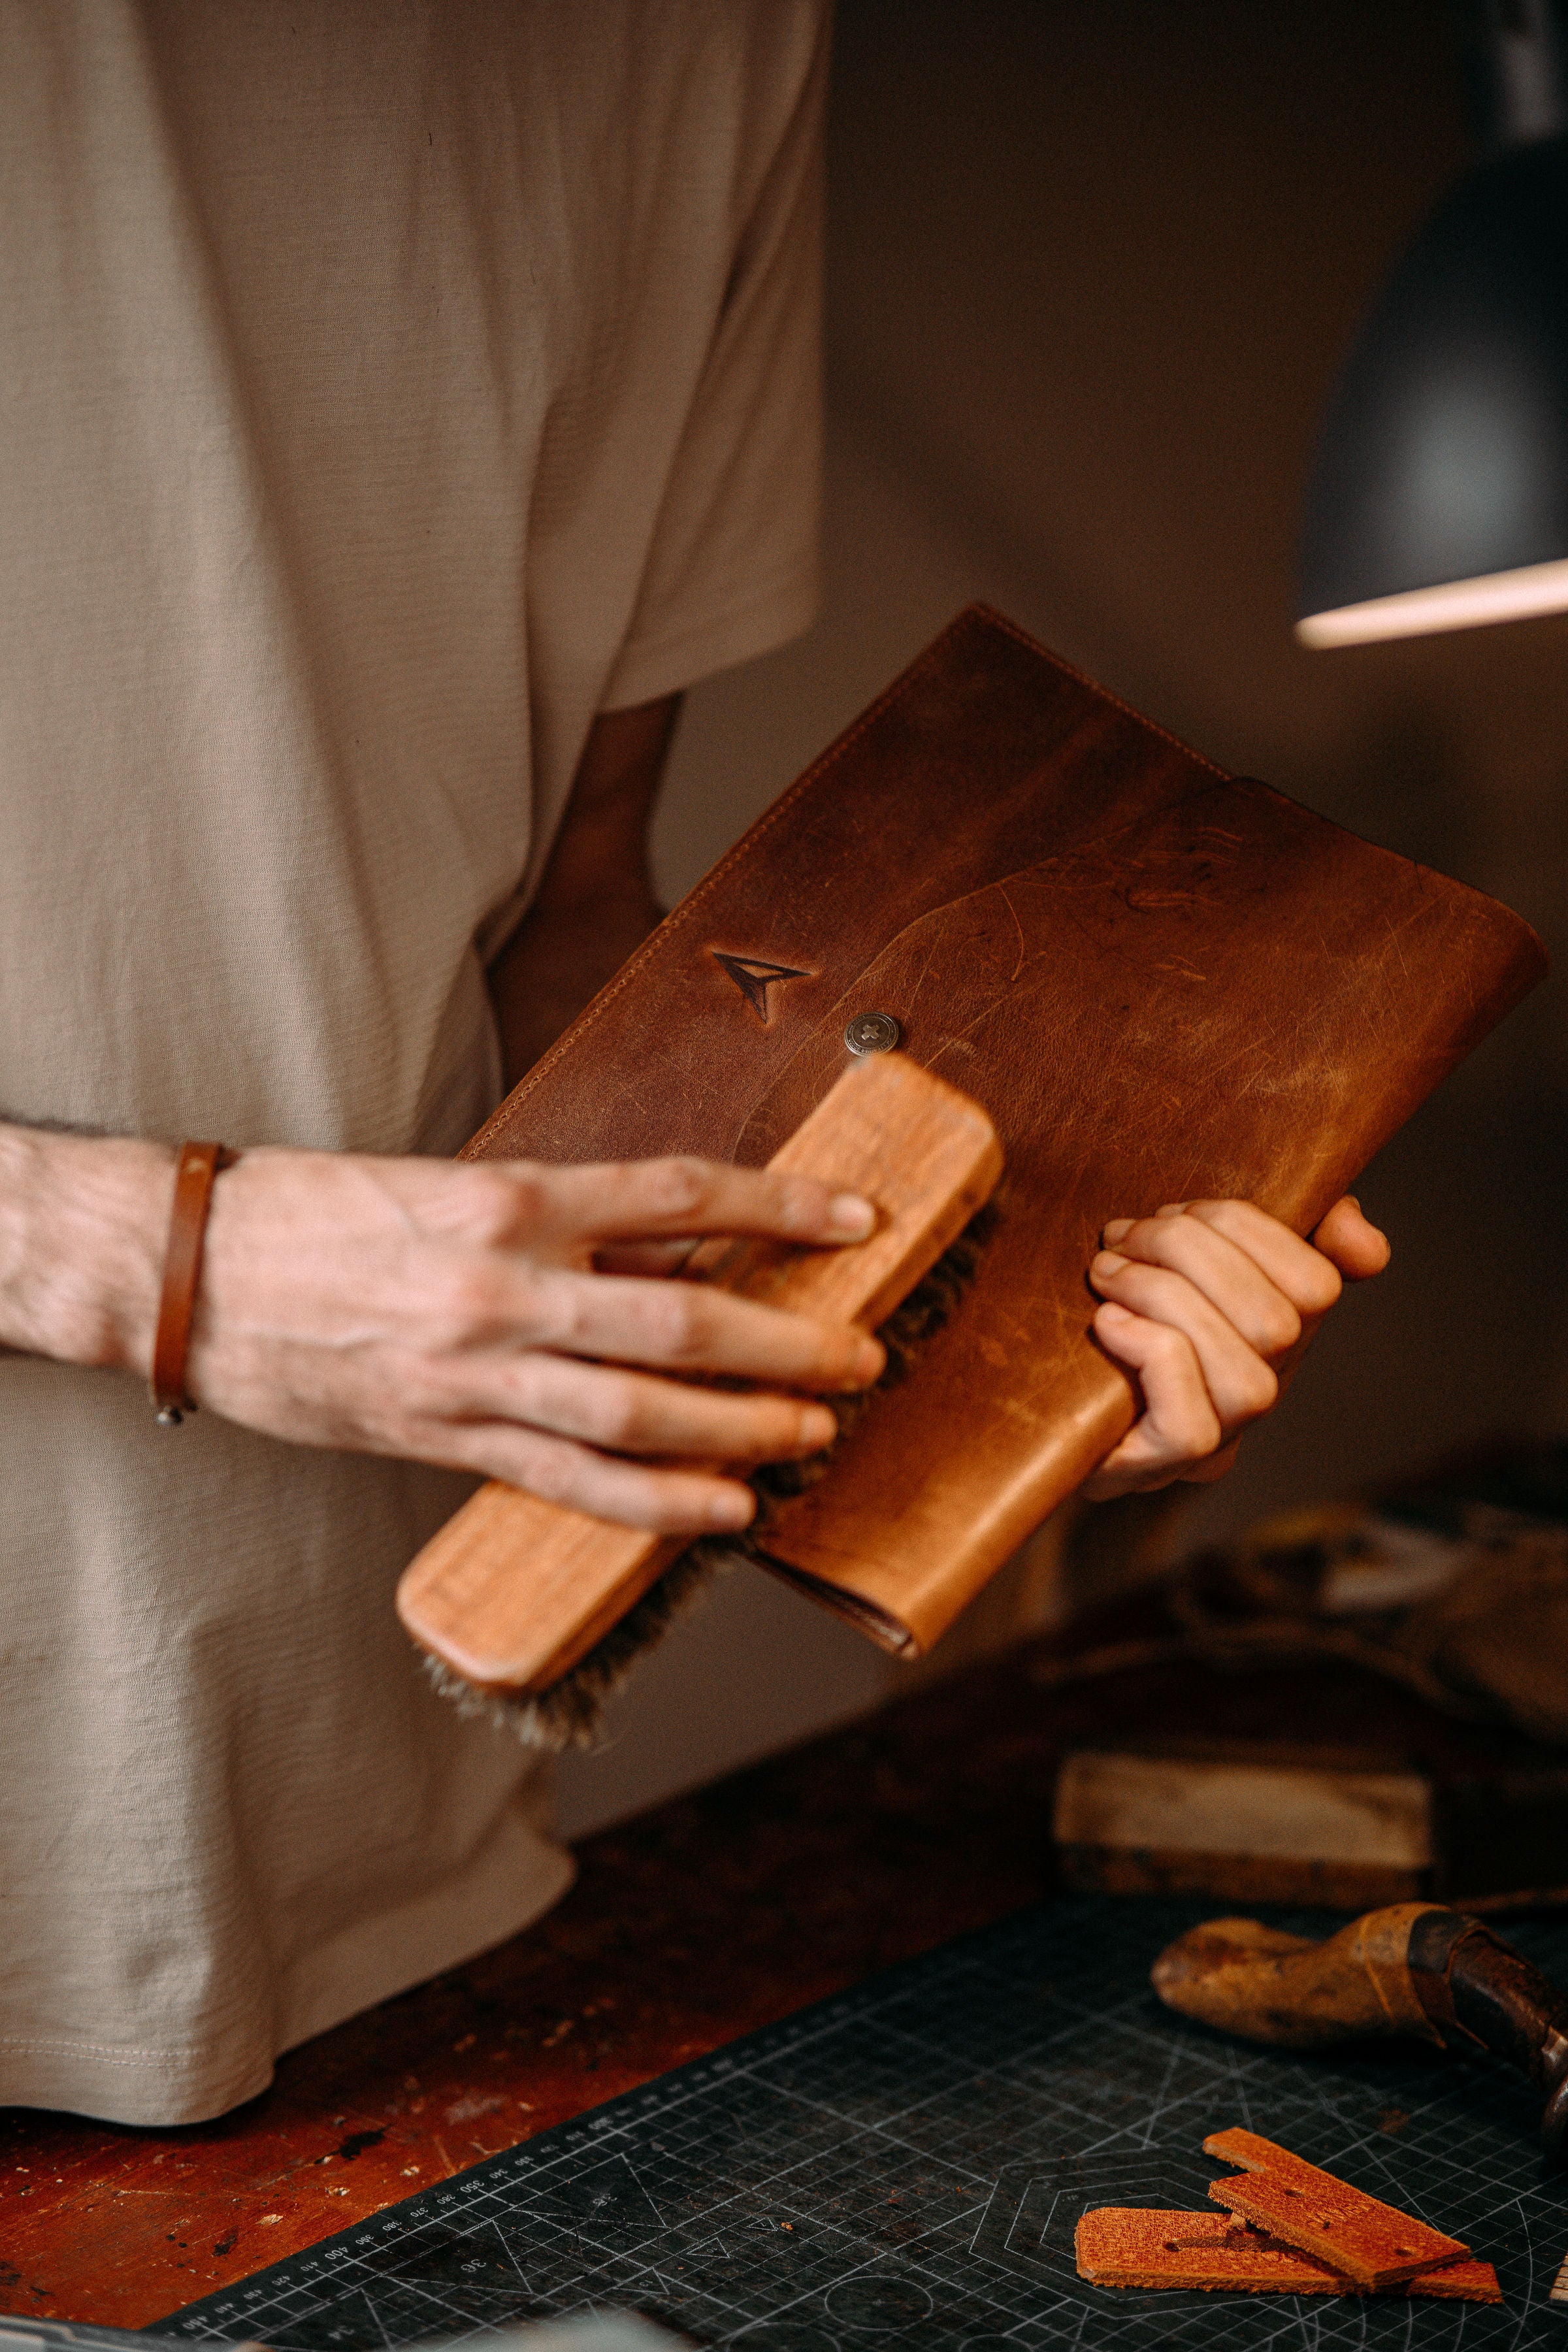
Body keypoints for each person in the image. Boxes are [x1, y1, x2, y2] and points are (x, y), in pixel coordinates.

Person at [0, 1, 1386, 2128]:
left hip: (362, 1851)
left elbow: (566, 906)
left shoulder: (708, 39)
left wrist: (973, 1356)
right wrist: (148, 1252)